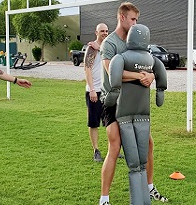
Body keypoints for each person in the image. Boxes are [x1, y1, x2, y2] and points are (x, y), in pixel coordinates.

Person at [99, 2, 168, 205]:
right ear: (122, 17)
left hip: (135, 103)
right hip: (112, 100)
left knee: (148, 144)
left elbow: (149, 65)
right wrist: (141, 76)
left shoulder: (138, 42)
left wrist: (151, 76)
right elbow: (112, 71)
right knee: (115, 146)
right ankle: (104, 199)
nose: (136, 23)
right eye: (133, 19)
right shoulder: (109, 43)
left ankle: (149, 188)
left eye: (137, 19)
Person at [84, 23, 109, 162]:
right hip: (94, 92)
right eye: (102, 31)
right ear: (96, 32)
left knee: (110, 122)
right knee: (94, 123)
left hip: (107, 92)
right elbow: (87, 70)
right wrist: (92, 90)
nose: (104, 33)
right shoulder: (91, 49)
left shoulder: (106, 48)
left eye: (106, 31)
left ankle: (114, 150)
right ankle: (96, 150)